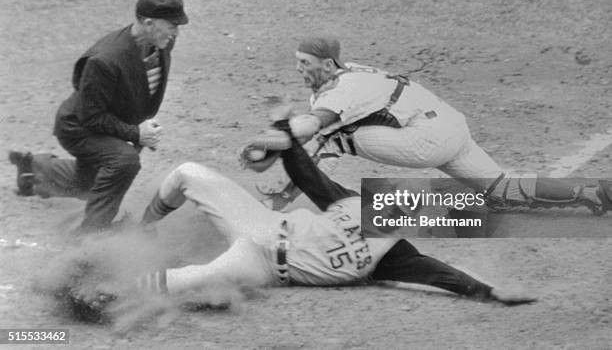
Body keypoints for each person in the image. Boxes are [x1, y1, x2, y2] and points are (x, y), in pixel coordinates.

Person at [70, 130, 534, 319]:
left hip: (264, 267)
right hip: (266, 225)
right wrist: (288, 141)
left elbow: (444, 278)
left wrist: (489, 292)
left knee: (197, 278)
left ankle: (115, 295)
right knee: (188, 174)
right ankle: (144, 229)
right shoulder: (355, 203)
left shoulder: (398, 257)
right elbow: (311, 177)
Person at [249, 35, 611, 235]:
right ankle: (589, 191)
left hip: (427, 140)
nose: (299, 70)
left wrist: (272, 136)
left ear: (328, 65)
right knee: (503, 192)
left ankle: (387, 211)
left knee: (332, 138)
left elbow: (311, 130)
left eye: (305, 64)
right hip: (448, 126)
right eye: (297, 62)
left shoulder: (344, 91)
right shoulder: (348, 74)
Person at [8, 0, 189, 233]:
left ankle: (35, 169)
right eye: (172, 25)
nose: (176, 32)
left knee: (89, 184)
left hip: (113, 121)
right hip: (79, 126)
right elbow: (91, 116)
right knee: (123, 162)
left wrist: (137, 126)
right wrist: (136, 134)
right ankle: (90, 237)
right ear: (148, 23)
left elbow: (140, 82)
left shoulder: (161, 41)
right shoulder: (104, 60)